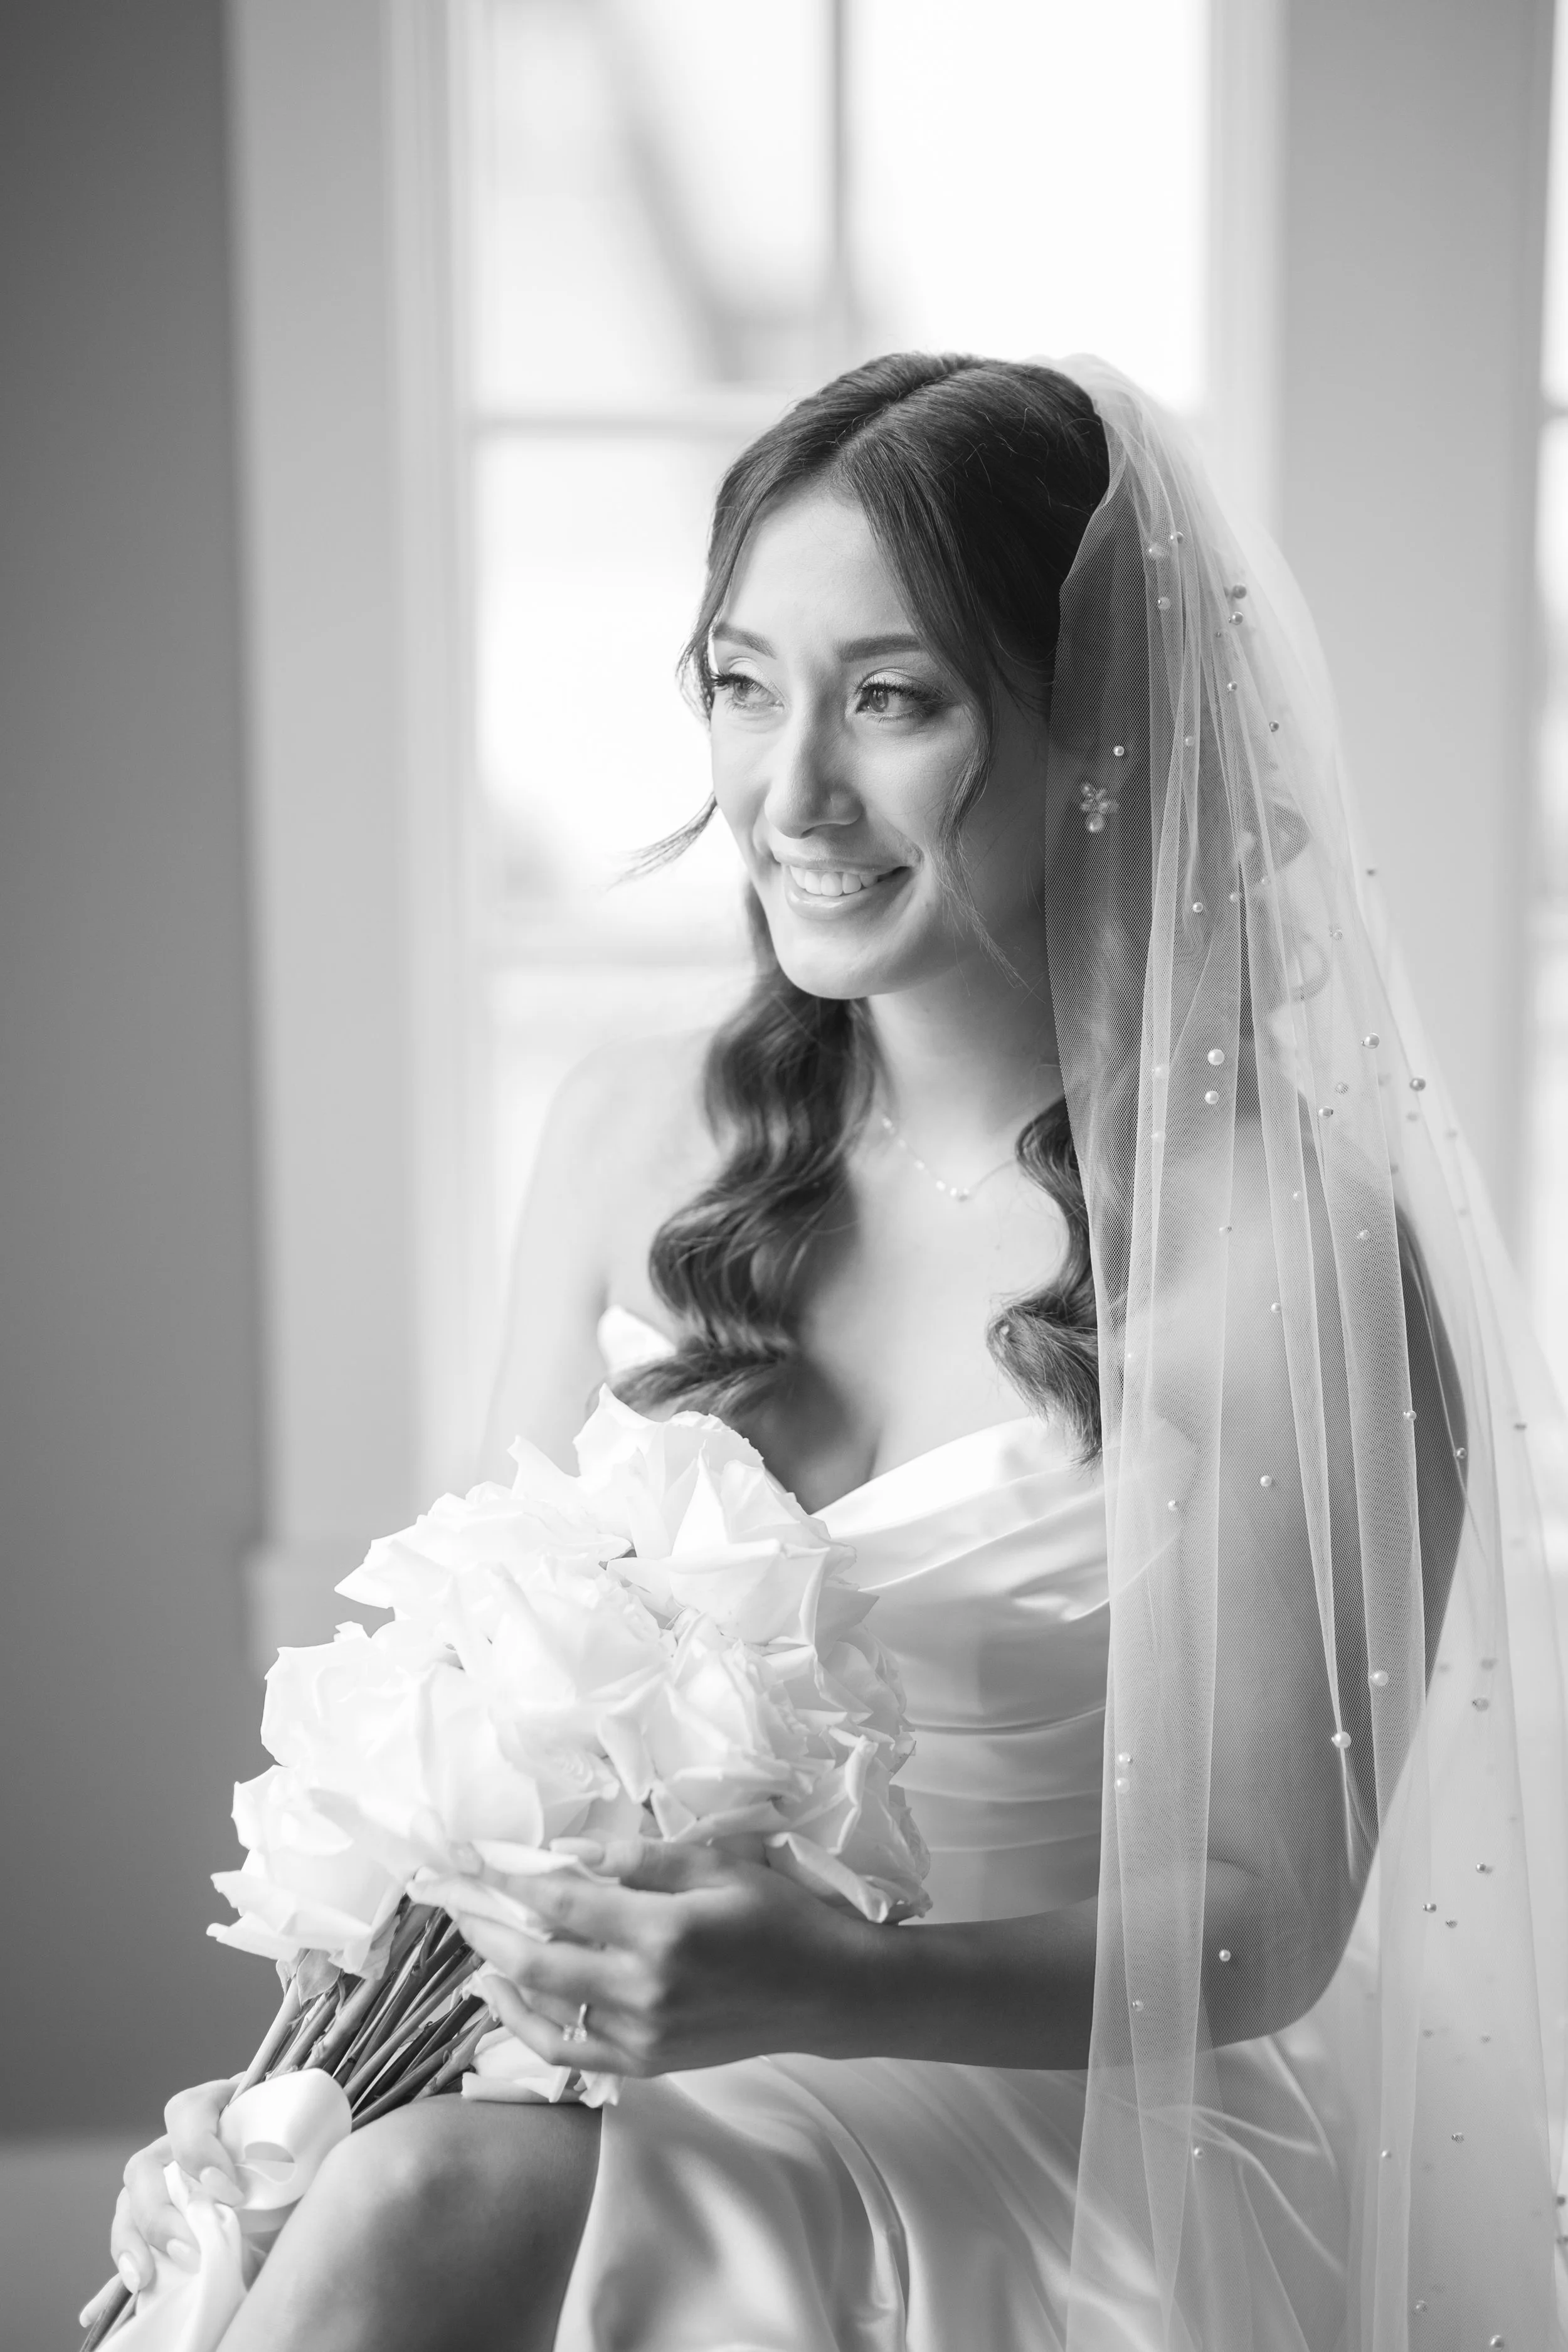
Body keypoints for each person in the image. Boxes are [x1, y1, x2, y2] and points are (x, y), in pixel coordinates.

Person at [103, 355, 1568, 2350]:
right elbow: (456, 1733)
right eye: (740, 684)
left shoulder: (1283, 1262)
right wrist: (307, 2076)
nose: (787, 794)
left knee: (453, 2207)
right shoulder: (622, 1132)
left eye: (890, 698)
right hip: (575, 2066)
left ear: (1101, 735)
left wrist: (829, 1983)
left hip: (1038, 2108)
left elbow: (1264, 1922)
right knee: (380, 2193)